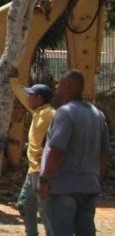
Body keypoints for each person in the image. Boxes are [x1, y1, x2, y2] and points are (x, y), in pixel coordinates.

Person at [39, 69, 111, 236]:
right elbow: (105, 153)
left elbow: (57, 150)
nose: (56, 88)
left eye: (59, 84)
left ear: (68, 86)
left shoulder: (65, 113)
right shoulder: (97, 115)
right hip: (89, 188)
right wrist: (95, 177)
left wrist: (44, 180)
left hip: (63, 189)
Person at [17, 83, 55, 236]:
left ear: (39, 98)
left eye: (31, 96)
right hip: (32, 171)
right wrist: (13, 80)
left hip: (42, 170)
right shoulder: (36, 112)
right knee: (24, 204)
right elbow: (20, 95)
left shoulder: (49, 113)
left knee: (46, 211)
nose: (28, 98)